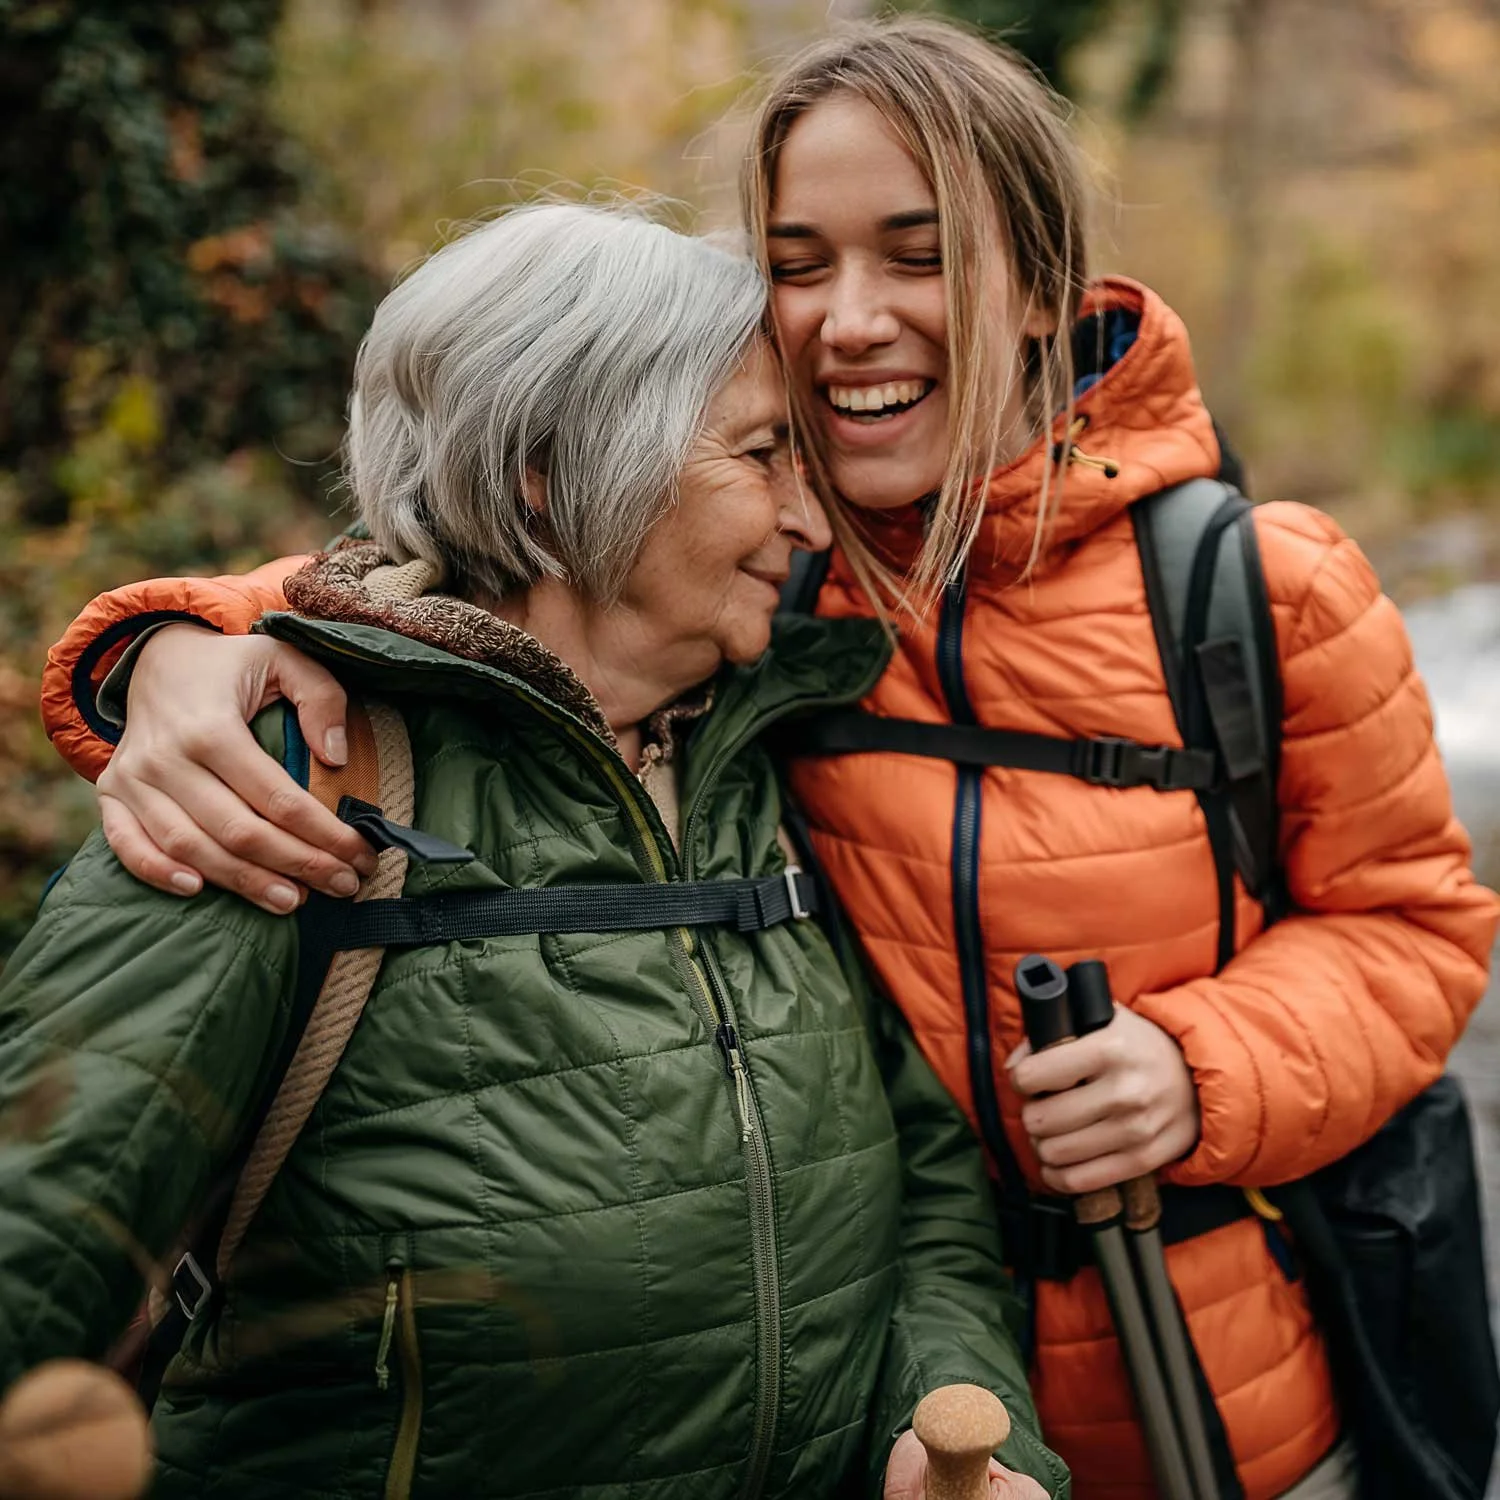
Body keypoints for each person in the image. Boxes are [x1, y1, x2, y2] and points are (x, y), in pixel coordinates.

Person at [35, 17, 1500, 1500]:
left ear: (1048, 283)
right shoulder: (760, 582)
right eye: (798, 264)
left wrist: (1204, 1066)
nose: (848, 319)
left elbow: (1419, 931)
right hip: (888, 1416)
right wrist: (177, 643)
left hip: (1221, 1390)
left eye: (919, 256)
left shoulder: (1258, 589)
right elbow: (471, 568)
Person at [0, 201, 1068, 1500]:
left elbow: (925, 1200)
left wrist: (956, 1424)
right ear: (550, 475)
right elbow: (33, 1250)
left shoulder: (766, 774)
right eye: (760, 454)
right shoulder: (278, 788)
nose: (810, 515)